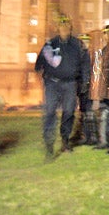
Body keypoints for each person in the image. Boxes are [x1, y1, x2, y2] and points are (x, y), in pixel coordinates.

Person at [35, 15, 90, 161]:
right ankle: (49, 146)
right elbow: (38, 64)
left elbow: (85, 64)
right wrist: (44, 75)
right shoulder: (50, 44)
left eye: (67, 26)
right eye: (61, 26)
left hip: (70, 84)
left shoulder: (78, 45)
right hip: (52, 84)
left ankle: (65, 140)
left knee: (69, 112)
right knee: (50, 113)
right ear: (57, 28)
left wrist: (85, 82)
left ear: (70, 28)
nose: (64, 29)